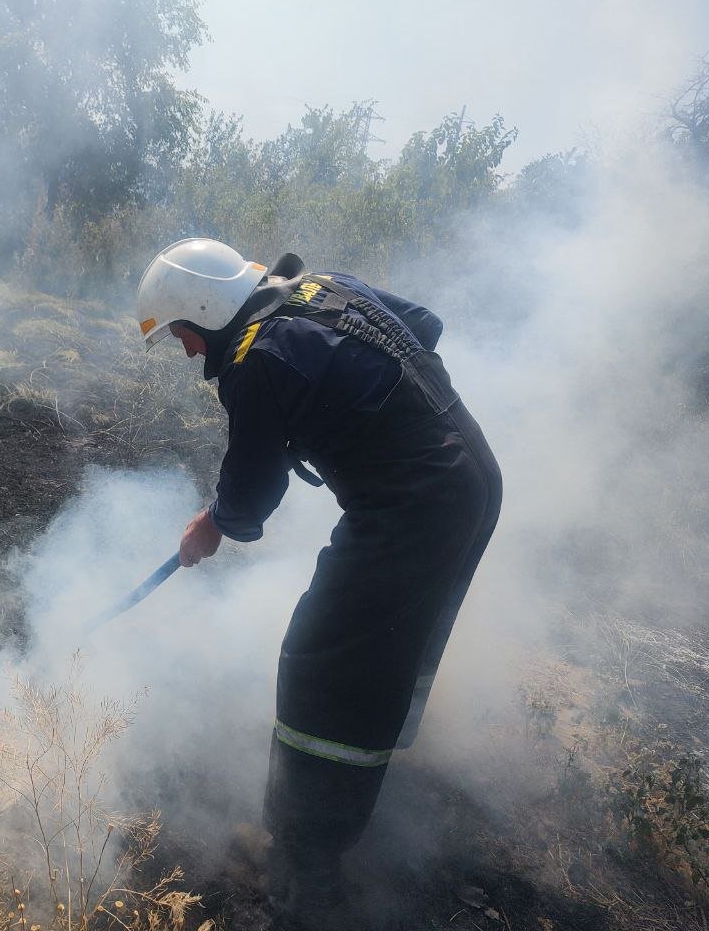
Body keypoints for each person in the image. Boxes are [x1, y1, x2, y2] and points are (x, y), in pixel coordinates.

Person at [135, 238, 502, 928]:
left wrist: (209, 525)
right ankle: (377, 791)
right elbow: (423, 326)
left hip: (412, 510)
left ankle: (308, 868)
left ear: (207, 310)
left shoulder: (256, 358)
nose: (188, 353)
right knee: (392, 648)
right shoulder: (324, 288)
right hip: (472, 479)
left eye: (183, 335)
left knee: (319, 666)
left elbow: (247, 497)